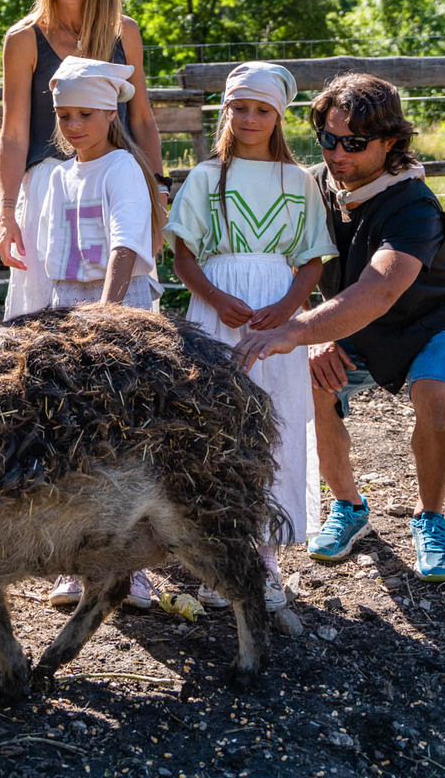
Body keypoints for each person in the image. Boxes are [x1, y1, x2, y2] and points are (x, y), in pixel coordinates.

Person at [232, 73, 445, 584]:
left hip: (430, 321)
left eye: (354, 143)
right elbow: (293, 259)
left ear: (390, 143)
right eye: (327, 138)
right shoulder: (315, 187)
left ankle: (430, 516)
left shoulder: (413, 206)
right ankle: (348, 506)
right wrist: (318, 335)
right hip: (350, 322)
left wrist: (298, 330)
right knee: (315, 389)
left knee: (436, 399)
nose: (337, 153)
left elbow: (379, 291)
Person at [164, 61, 333, 611]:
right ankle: (220, 554)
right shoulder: (206, 176)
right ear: (226, 110)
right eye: (240, 107)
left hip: (276, 313)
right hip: (218, 310)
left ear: (279, 116)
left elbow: (310, 258)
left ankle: (265, 557)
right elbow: (184, 256)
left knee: (276, 417)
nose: (250, 118)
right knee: (218, 422)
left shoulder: (298, 180)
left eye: (262, 109)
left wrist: (289, 308)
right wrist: (214, 297)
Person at [23, 54, 166, 608]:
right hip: (66, 308)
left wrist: (107, 314)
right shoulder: (60, 174)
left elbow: (125, 242)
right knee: (72, 438)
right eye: (64, 115)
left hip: (116, 310)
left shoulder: (121, 169)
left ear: (110, 115)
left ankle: (132, 570)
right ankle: (76, 564)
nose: (73, 125)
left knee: (123, 438)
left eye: (85, 113)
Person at [0, 0, 165, 318]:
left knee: (125, 319)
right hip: (48, 194)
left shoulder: (125, 32)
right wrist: (6, 214)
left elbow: (141, 120)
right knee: (43, 325)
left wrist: (158, 195)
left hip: (117, 186)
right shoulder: (23, 39)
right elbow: (14, 135)